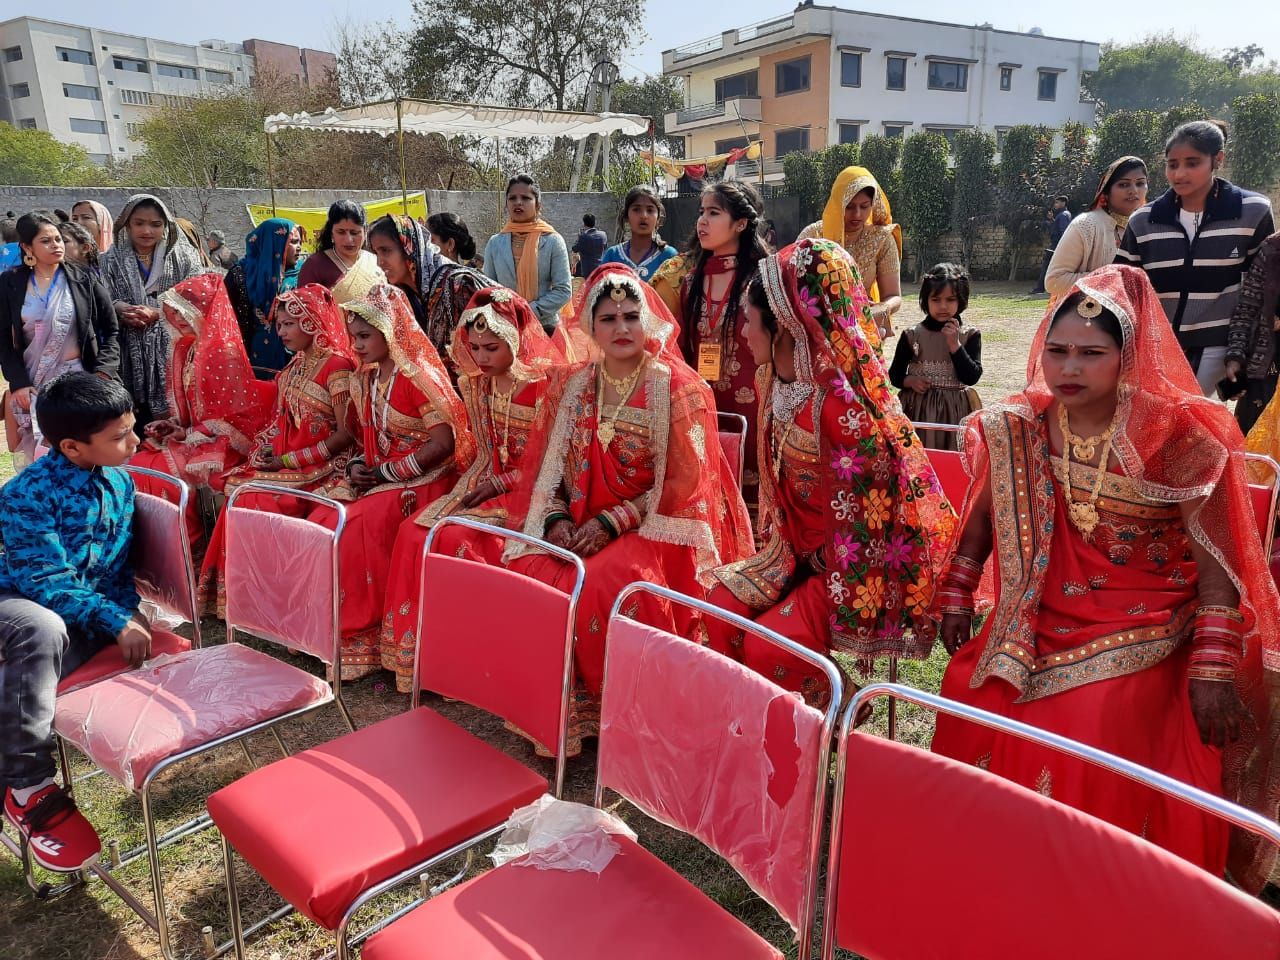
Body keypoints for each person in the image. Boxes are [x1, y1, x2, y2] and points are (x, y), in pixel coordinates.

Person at [931, 265, 1280, 891]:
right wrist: (957, 590)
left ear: (1131, 358)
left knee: (1086, 717)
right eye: (1059, 351)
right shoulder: (1024, 428)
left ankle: (1090, 886)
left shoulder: (1185, 441)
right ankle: (984, 871)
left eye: (1091, 354)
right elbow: (982, 518)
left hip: (1149, 625)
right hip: (1039, 618)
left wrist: (1211, 670)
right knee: (970, 686)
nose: (1070, 368)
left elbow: (1217, 570)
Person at [477, 264, 752, 750]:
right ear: (590, 327)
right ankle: (560, 714)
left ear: (648, 321)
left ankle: (626, 715)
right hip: (580, 525)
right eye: (608, 319)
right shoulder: (572, 386)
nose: (621, 328)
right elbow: (549, 470)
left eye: (630, 316)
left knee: (604, 584)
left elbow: (684, 487)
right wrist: (557, 518)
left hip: (659, 529)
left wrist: (614, 520)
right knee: (533, 571)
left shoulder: (678, 389)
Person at [706, 239, 956, 703]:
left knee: (768, 647)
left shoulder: (839, 409)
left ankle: (837, 721)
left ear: (785, 323)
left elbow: (872, 521)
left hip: (853, 569)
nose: (742, 334)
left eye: (748, 319)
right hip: (792, 554)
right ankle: (753, 730)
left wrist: (815, 564)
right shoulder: (772, 382)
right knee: (717, 612)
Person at [381, 286, 561, 692]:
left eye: (491, 347)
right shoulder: (478, 385)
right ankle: (421, 657)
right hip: (486, 481)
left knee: (456, 540)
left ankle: (469, 663)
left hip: (533, 492)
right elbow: (484, 452)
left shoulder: (544, 387)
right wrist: (470, 489)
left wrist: (495, 484)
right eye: (475, 347)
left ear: (515, 341)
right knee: (414, 532)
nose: (481, 357)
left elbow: (550, 465)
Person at [0, 373, 143, 873]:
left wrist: (127, 613)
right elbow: (45, 581)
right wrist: (115, 618)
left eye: (133, 427)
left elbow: (118, 567)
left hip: (76, 616)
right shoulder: (26, 494)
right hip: (16, 604)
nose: (136, 440)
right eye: (120, 435)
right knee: (43, 629)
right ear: (72, 447)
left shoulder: (121, 483)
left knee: (31, 670)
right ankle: (28, 786)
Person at [317, 284, 475, 681]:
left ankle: (361, 636)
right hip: (381, 473)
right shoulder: (366, 379)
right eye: (353, 337)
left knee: (352, 526)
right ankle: (328, 631)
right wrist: (358, 466)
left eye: (366, 336)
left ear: (389, 332)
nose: (358, 345)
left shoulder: (416, 376)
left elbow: (443, 444)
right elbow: (365, 438)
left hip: (426, 478)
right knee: (322, 517)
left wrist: (386, 473)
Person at [197, 284, 357, 614]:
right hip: (290, 463)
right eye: (279, 324)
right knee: (237, 491)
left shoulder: (337, 366)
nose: (280, 332)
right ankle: (249, 598)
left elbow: (346, 435)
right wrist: (268, 451)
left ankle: (272, 601)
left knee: (252, 498)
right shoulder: (295, 365)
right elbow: (281, 423)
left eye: (287, 324)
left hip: (327, 466)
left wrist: (288, 459)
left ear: (311, 322)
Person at [1117, 120, 1275, 398]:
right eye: (1172, 164)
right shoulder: (1143, 221)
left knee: (1183, 420)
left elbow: (1260, 290)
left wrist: (1244, 353)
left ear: (1218, 159)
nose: (1179, 173)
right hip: (1157, 346)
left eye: (1192, 163)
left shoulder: (1253, 211)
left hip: (1218, 345)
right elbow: (1122, 288)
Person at [651, 180, 769, 510]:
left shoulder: (762, 281)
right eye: (701, 212)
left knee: (753, 500)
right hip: (701, 405)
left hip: (755, 406)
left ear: (741, 223)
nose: (701, 221)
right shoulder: (687, 281)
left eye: (714, 213)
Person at [129, 273, 271, 543]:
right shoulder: (187, 348)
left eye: (186, 311)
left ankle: (185, 545)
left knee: (150, 470)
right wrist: (174, 425)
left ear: (205, 310)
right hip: (197, 435)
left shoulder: (222, 352)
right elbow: (192, 410)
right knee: (139, 464)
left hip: (225, 441)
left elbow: (232, 418)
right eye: (175, 312)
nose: (179, 318)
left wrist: (188, 434)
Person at [0, 213, 120, 471]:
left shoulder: (83, 279)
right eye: (46, 241)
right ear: (27, 248)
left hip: (80, 381)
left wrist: (103, 372)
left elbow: (110, 330)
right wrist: (19, 383)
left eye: (58, 239)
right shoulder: (10, 282)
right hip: (34, 383)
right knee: (43, 460)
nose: (56, 245)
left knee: (83, 452)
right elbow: (3, 340)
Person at [98, 194, 204, 430]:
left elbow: (198, 299)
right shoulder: (108, 260)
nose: (147, 230)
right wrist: (118, 308)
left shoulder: (185, 258)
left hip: (174, 350)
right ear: (126, 223)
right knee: (130, 420)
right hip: (125, 346)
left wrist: (159, 312)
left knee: (176, 422)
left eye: (155, 224)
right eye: (139, 223)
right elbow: (99, 298)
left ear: (166, 225)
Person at [798, 165, 903, 342]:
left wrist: (880, 309)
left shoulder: (881, 238)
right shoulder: (813, 236)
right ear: (838, 203)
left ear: (873, 204)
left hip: (862, 333)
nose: (857, 214)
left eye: (864, 206)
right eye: (849, 207)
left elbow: (894, 296)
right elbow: (791, 279)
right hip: (817, 333)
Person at [888, 262, 983, 450]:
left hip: (955, 412)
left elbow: (971, 377)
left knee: (951, 461)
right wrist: (910, 381)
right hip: (918, 411)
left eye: (950, 300)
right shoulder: (911, 335)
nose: (943, 306)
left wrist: (954, 345)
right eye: (936, 299)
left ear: (961, 300)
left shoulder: (969, 336)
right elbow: (895, 375)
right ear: (925, 300)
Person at [1045, 157, 1149, 301]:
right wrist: (1111, 279)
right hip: (1089, 320)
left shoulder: (1147, 227)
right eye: (1123, 184)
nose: (1133, 190)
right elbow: (1054, 282)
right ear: (1106, 191)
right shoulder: (1087, 224)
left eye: (1140, 183)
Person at [482, 175, 572, 333]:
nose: (518, 202)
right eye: (512, 198)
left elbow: (563, 290)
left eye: (525, 198)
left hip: (545, 328)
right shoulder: (495, 243)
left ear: (537, 205)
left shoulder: (552, 241)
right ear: (506, 205)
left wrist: (528, 311)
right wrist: (508, 312)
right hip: (505, 328)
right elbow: (488, 288)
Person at [224, 218, 304, 376]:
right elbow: (226, 317)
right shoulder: (240, 275)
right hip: (251, 358)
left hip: (294, 360)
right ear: (274, 243)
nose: (300, 248)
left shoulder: (304, 274)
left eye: (300, 242)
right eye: (293, 242)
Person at [1233, 231, 1280, 437]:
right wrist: (1235, 357)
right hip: (1265, 370)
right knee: (1254, 453)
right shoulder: (1271, 249)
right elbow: (1246, 308)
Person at [297, 200, 381, 297]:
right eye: (341, 232)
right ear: (331, 233)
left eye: (354, 233)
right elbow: (305, 306)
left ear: (365, 231)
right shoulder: (315, 265)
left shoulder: (376, 261)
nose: (349, 240)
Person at [599, 185, 679, 282]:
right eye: (636, 209)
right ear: (626, 216)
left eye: (650, 210)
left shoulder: (669, 257)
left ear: (658, 218)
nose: (644, 216)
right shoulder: (612, 255)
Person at [1031, 195, 1072, 295]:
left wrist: (1062, 247)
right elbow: (1058, 228)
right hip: (1058, 245)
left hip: (1057, 246)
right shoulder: (1064, 214)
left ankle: (1040, 288)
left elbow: (1063, 231)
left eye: (1057, 203)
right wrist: (1051, 219)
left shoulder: (1063, 215)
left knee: (1046, 266)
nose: (1055, 205)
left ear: (1063, 203)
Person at [571, 212, 608, 279]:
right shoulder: (603, 235)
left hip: (588, 271)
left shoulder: (584, 237)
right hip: (601, 268)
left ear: (584, 224)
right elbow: (605, 248)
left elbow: (574, 249)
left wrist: (579, 238)